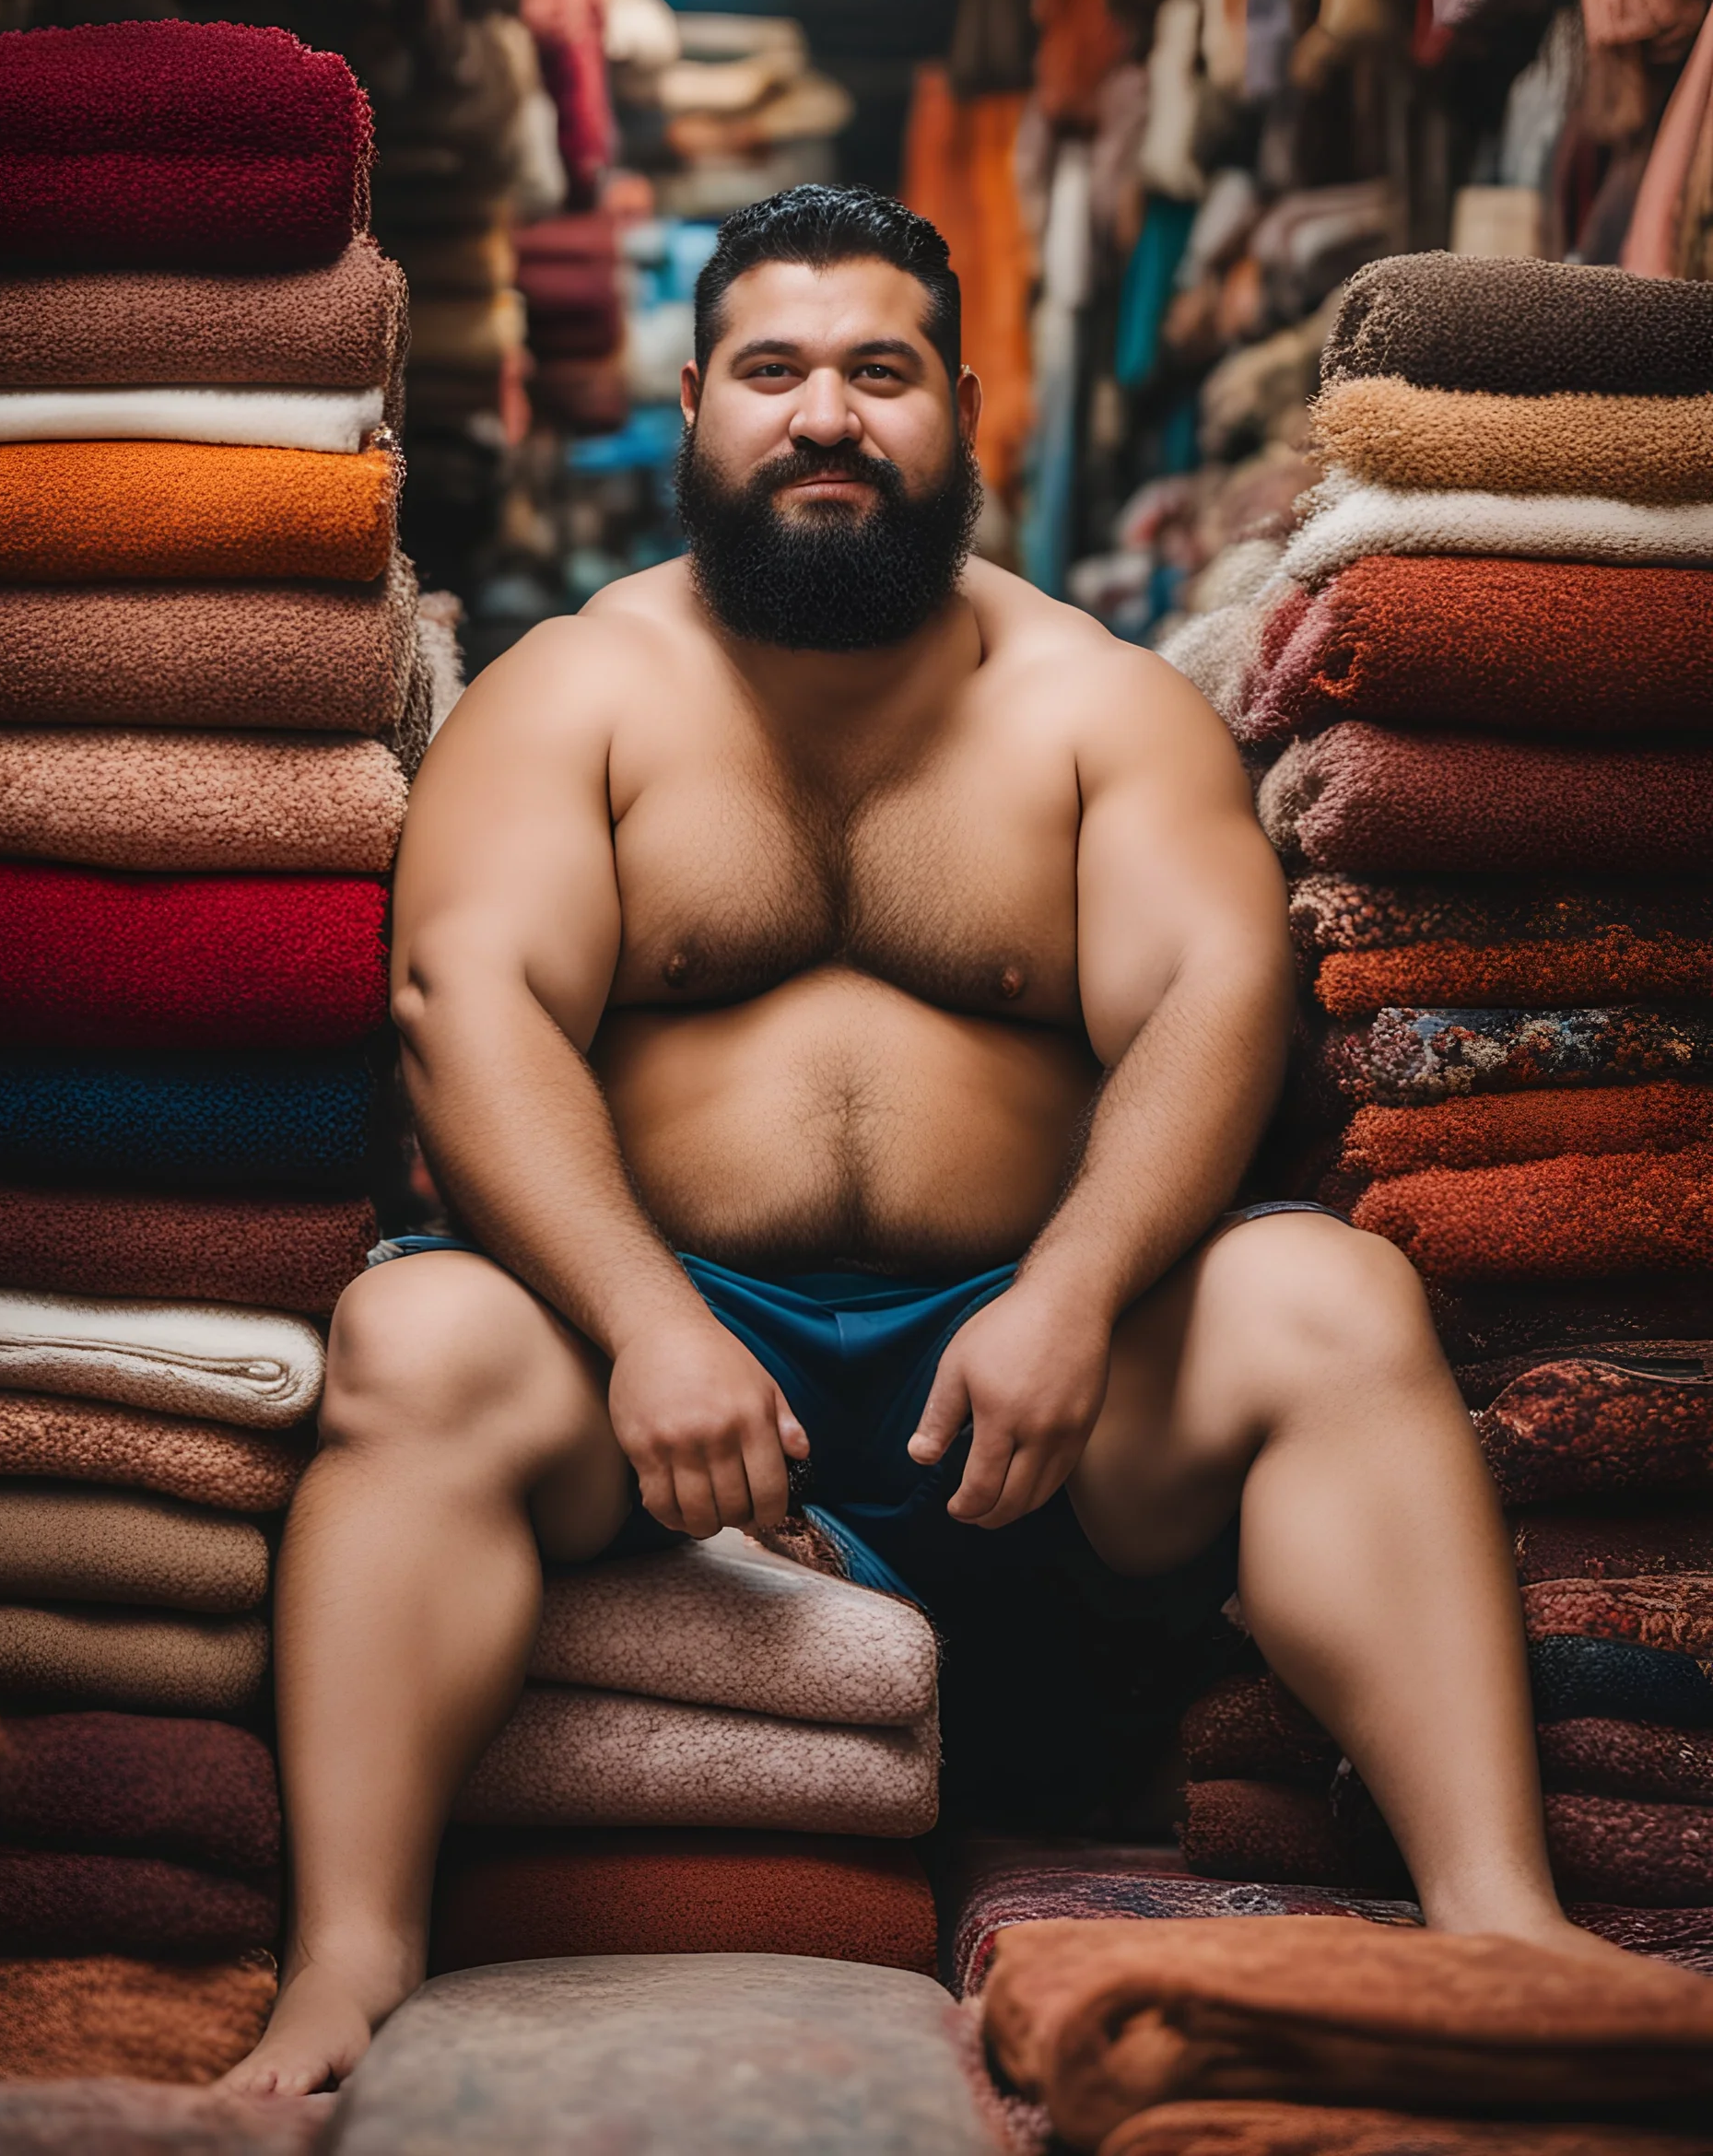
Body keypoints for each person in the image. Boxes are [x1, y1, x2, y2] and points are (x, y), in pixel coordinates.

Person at [228, 185, 1611, 2097]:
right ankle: (346, 1962)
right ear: (699, 395)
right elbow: (470, 1013)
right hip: (658, 1378)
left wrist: (1072, 1293)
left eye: (878, 373)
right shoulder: (577, 694)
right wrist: (642, 1325)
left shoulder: (1093, 710)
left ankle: (1504, 1920)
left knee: (1328, 1300)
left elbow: (1218, 1006)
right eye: (774, 370)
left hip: (1039, 1382)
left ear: (961, 409)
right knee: (414, 1342)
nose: (824, 416)